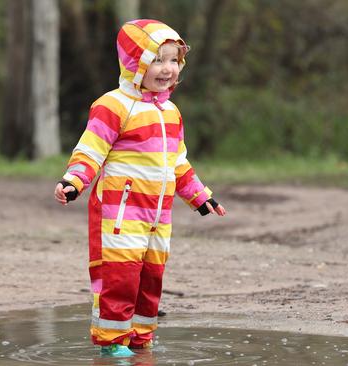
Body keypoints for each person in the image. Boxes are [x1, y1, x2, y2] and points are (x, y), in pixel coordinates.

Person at [54, 19, 226, 357]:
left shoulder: (170, 112)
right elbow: (90, 149)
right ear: (135, 63)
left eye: (174, 60)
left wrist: (199, 196)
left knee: (151, 275)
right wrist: (74, 181)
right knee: (120, 276)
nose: (167, 69)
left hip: (157, 214)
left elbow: (177, 162)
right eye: (157, 59)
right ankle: (111, 342)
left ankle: (140, 337)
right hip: (120, 212)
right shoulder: (113, 105)